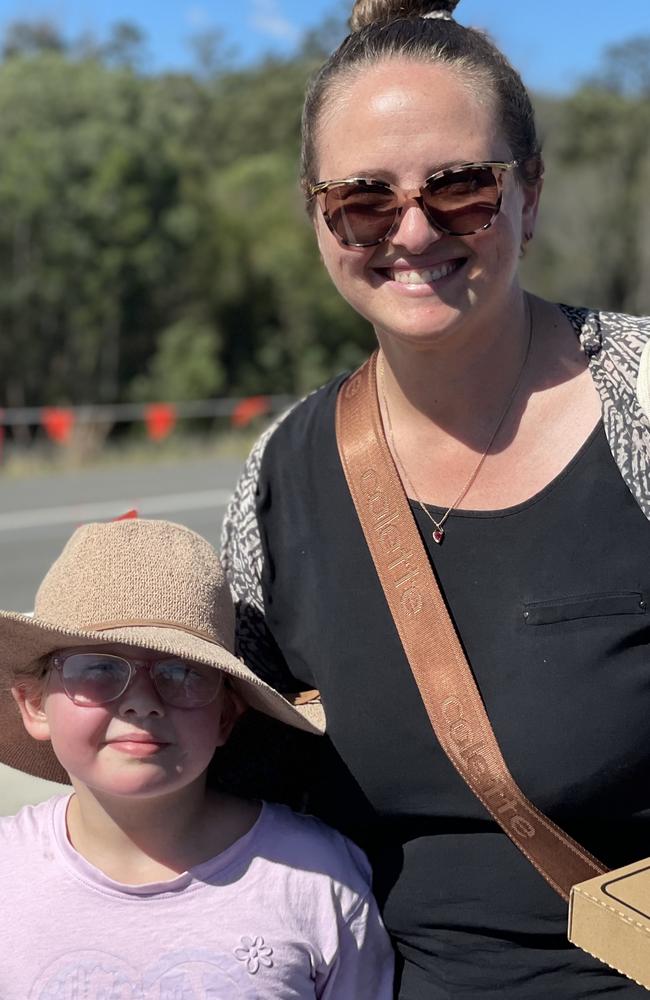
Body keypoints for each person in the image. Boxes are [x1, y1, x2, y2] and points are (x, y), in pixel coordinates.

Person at [221, 1, 650, 997]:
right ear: (317, 216)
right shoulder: (281, 472)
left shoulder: (638, 399)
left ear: (529, 193)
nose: (412, 230)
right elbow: (231, 764)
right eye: (363, 199)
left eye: (460, 188)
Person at [0, 517, 394, 998]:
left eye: (181, 672)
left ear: (227, 715)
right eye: (99, 668)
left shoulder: (316, 880)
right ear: (35, 705)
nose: (141, 702)